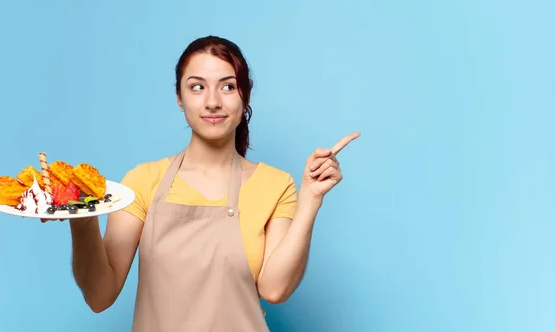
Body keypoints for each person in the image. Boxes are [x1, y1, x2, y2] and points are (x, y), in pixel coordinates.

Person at [45, 35, 359, 331]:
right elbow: (100, 297)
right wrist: (81, 219)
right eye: (197, 87)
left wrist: (311, 198)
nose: (212, 102)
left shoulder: (276, 185)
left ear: (244, 96)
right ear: (179, 97)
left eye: (227, 87)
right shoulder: (143, 181)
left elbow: (275, 290)